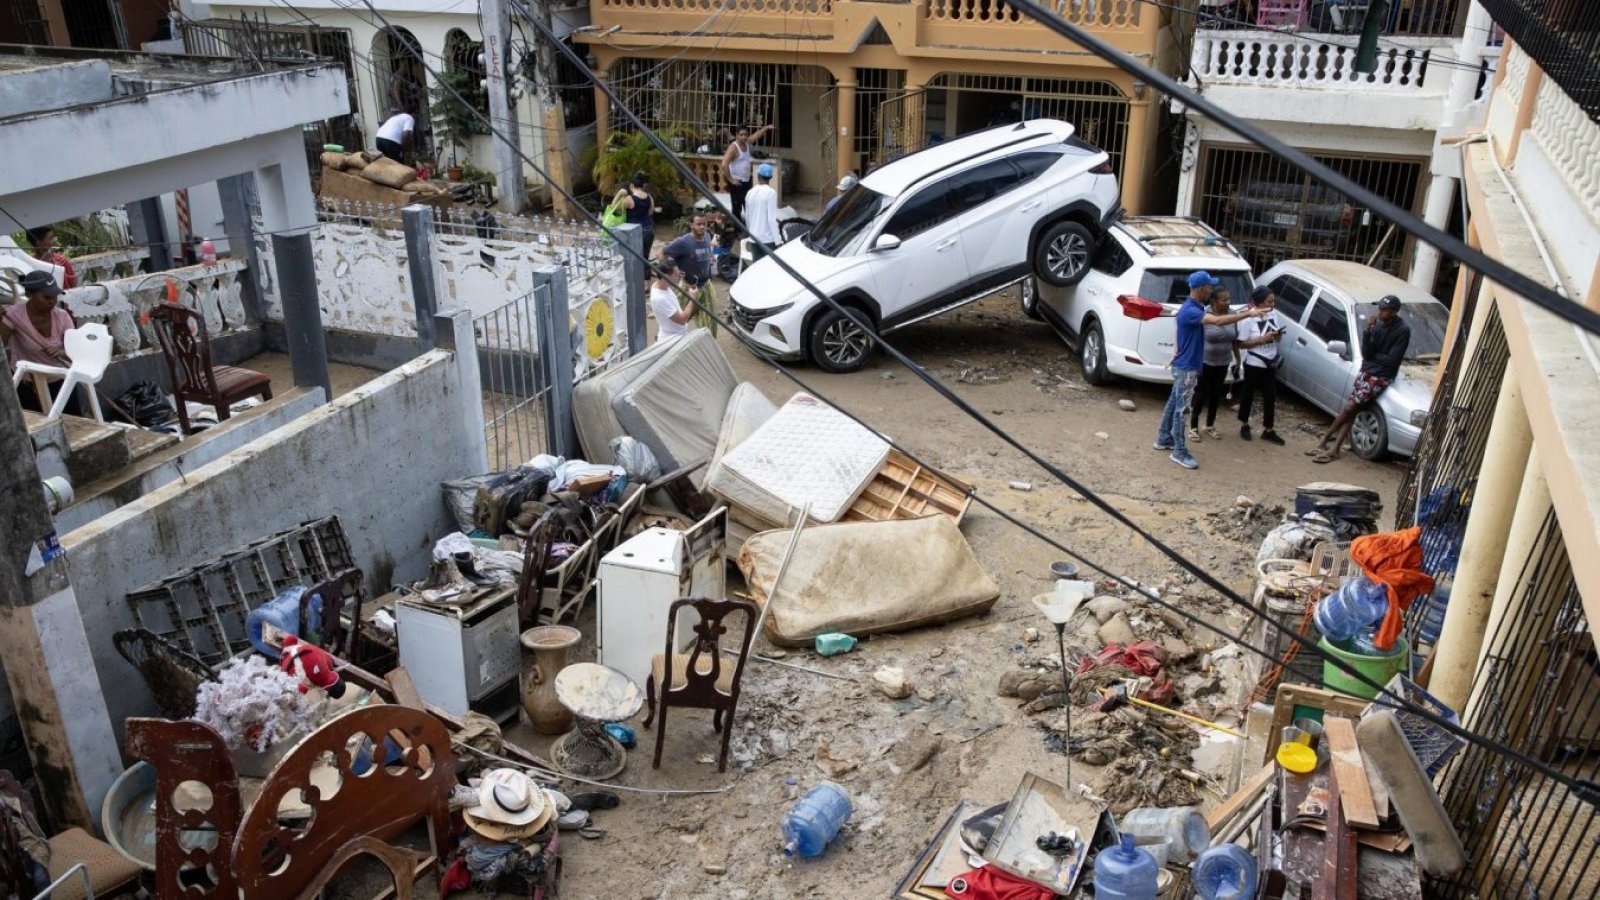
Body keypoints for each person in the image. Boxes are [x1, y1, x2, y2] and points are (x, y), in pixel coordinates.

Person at [1156, 271, 1265, 470]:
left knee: (1174, 402)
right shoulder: (1191, 310)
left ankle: (1163, 438)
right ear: (1200, 289)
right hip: (1186, 367)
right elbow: (1216, 320)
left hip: (1185, 365)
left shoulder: (1194, 306)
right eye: (1209, 286)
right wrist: (1248, 314)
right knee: (1182, 409)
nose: (1211, 290)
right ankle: (1179, 451)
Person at [1310, 293, 1411, 463]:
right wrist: (1368, 331)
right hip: (1367, 370)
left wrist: (1374, 358)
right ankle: (1334, 448)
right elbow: (1367, 352)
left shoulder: (1402, 330)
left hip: (1381, 376)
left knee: (1350, 407)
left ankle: (1325, 439)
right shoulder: (1377, 324)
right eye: (1380, 308)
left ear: (1394, 311)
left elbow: (1393, 360)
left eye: (1384, 310)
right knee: (1354, 409)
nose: (1380, 312)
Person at [2, 271, 78, 413]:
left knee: (73, 424)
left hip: (60, 381)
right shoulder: (13, 315)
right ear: (30, 295)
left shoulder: (62, 316)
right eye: (46, 297)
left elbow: (76, 352)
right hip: (27, 383)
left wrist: (62, 352)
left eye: (54, 297)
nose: (52, 301)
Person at [1236, 285, 1286, 445]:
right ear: (1259, 302)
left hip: (1270, 363)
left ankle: (1268, 429)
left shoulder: (1274, 314)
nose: (1272, 305)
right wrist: (1261, 340)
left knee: (1270, 396)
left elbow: (1278, 338)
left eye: (1273, 301)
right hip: (1254, 362)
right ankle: (1244, 425)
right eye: (1268, 302)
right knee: (1248, 395)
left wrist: (1277, 336)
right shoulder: (1248, 319)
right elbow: (1241, 344)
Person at [1188, 288, 1240, 441]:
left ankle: (1210, 425)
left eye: (1229, 299)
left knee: (1215, 394)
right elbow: (1195, 338)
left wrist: (1238, 360)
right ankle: (1193, 426)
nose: (1228, 302)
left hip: (1223, 361)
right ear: (1214, 302)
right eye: (1224, 300)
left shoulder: (1233, 314)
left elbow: (1234, 341)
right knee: (1200, 393)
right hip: (1205, 362)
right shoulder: (1204, 315)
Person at [662, 213, 717, 336]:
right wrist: (674, 269)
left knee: (710, 327)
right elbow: (662, 254)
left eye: (704, 224)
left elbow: (706, 251)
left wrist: (710, 257)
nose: (702, 227)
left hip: (706, 286)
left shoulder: (707, 237)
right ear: (691, 225)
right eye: (698, 224)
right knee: (675, 324)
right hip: (688, 287)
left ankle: (707, 352)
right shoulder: (683, 242)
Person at [720, 124, 773, 224]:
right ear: (736, 135)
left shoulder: (747, 143)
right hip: (737, 182)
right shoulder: (734, 147)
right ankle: (737, 229)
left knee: (748, 204)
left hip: (746, 180)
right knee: (737, 208)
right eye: (741, 135)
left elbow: (756, 135)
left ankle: (749, 227)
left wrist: (766, 128)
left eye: (745, 134)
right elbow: (724, 164)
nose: (744, 137)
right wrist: (731, 180)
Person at [611, 171, 658, 260]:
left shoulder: (629, 199)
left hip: (634, 231)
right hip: (648, 229)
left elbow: (615, 212)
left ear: (632, 185)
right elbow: (650, 213)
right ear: (643, 185)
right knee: (645, 257)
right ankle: (645, 273)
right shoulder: (649, 197)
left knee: (634, 259)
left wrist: (620, 193)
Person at [648, 258, 693, 343]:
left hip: (678, 336)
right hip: (672, 340)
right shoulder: (660, 298)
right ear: (665, 276)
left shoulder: (661, 285)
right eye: (676, 275)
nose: (678, 277)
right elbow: (682, 320)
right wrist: (692, 299)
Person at [744, 163, 780, 260]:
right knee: (770, 268)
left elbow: (747, 216)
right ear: (770, 177)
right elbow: (771, 219)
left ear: (758, 176)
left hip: (754, 238)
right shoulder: (771, 193)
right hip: (767, 240)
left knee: (757, 268)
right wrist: (778, 241)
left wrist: (751, 233)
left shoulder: (750, 192)